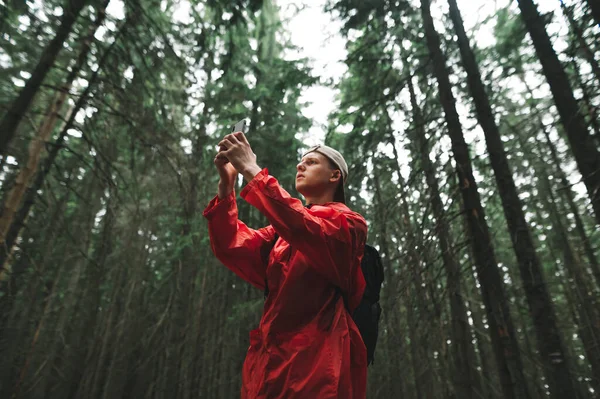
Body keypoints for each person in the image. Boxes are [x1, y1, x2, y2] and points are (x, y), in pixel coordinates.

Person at [202, 131, 368, 398]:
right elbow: (230, 245)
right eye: (301, 161)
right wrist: (226, 187)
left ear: (335, 176)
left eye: (312, 162)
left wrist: (251, 168)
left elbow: (303, 225)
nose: (300, 165)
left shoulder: (349, 225)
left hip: (316, 372)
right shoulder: (280, 235)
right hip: (267, 370)